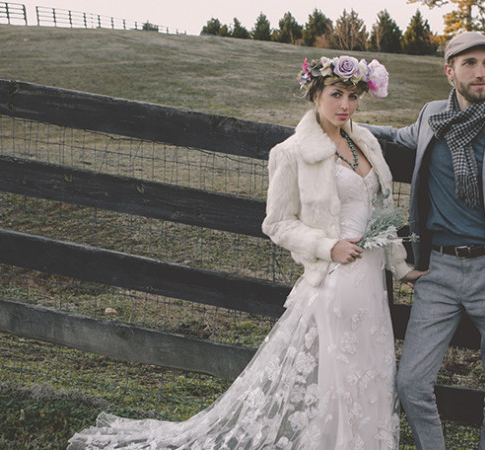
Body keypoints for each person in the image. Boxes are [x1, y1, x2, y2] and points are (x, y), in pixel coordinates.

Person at [68, 55, 424, 449]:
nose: (345, 105)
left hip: (372, 282)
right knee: (341, 377)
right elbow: (276, 223)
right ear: (315, 94)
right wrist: (327, 246)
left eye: (353, 97)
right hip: (336, 281)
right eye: (336, 94)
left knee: (372, 371)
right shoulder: (289, 153)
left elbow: (379, 213)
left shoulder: (365, 142)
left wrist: (401, 267)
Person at [363, 31, 485, 449]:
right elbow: (396, 137)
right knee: (411, 382)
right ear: (450, 71)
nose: (481, 73)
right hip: (437, 273)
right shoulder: (432, 116)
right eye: (470, 64)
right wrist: (341, 124)